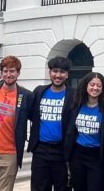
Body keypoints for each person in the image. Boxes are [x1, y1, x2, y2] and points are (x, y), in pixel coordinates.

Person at [0, 55, 34, 191]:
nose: (8, 74)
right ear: (1, 73)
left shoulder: (26, 95)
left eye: (12, 71)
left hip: (10, 153)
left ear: (18, 73)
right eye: (5, 71)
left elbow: (35, 119)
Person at [29, 56, 75, 191]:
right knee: (39, 187)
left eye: (62, 72)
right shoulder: (39, 91)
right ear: (50, 72)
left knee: (62, 188)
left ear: (67, 75)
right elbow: (30, 112)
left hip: (62, 152)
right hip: (40, 150)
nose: (58, 75)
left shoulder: (74, 94)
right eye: (55, 71)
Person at [65, 72, 104, 191]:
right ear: (86, 85)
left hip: (97, 157)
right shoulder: (77, 105)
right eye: (92, 84)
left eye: (99, 85)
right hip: (77, 155)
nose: (95, 88)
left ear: (103, 88)